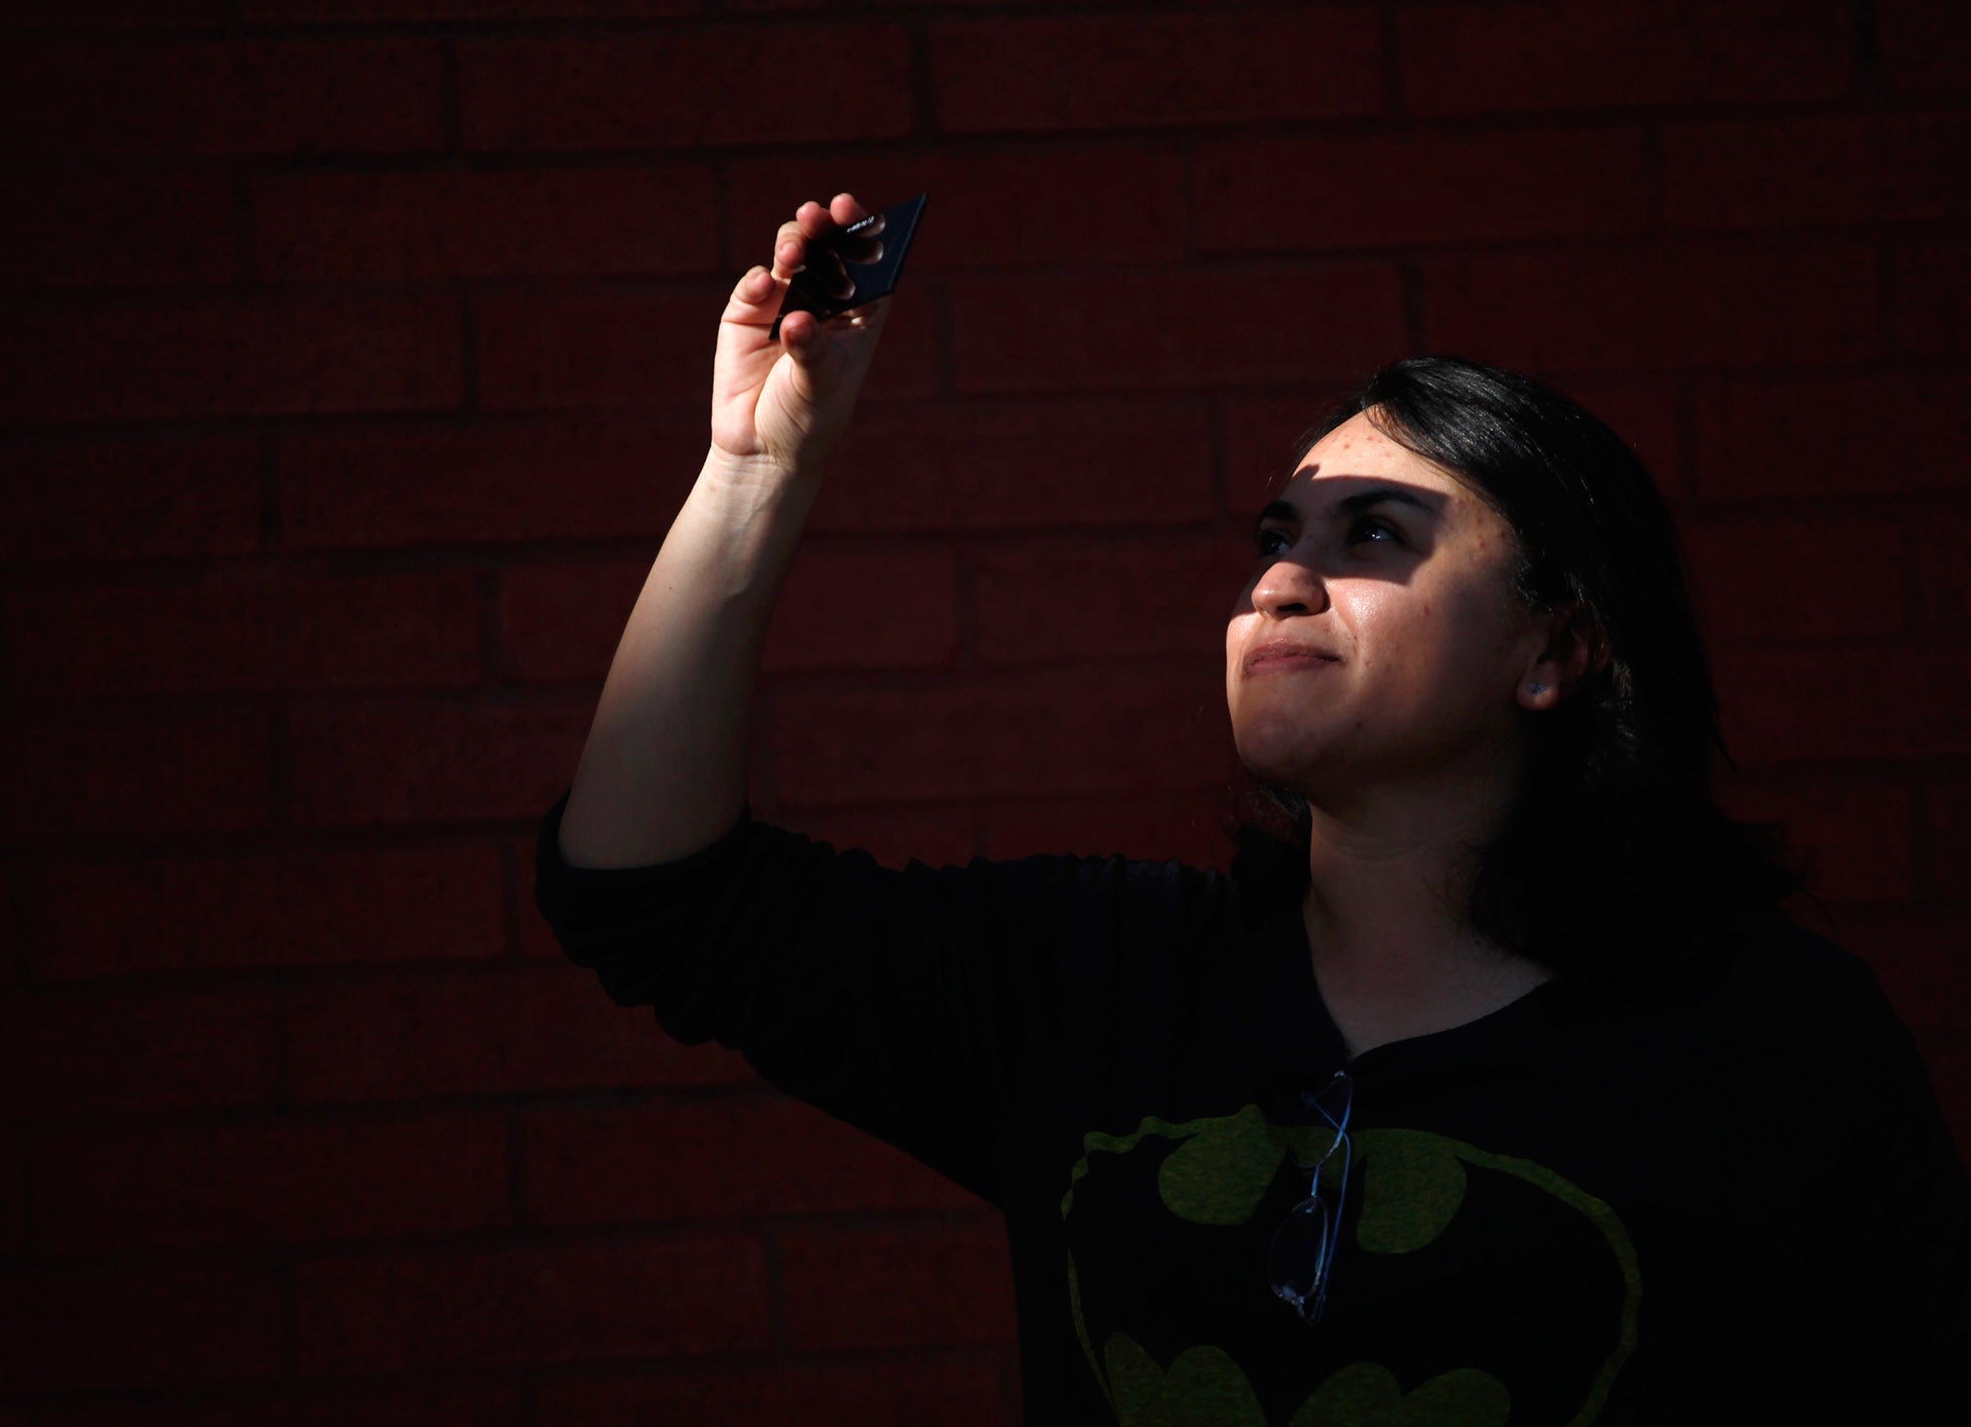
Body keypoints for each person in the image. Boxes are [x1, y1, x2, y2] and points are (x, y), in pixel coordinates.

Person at [535, 194, 1971, 1424]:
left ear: (1559, 650)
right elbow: (653, 893)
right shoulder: (1099, 985)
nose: (1278, 579)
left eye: (1375, 535)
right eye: (1274, 537)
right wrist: (754, 474)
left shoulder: (1769, 1047)